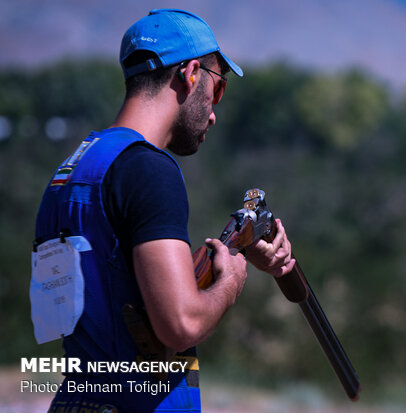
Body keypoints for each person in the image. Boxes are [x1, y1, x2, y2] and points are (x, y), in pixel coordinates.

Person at [31, 9, 295, 412]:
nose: (213, 111)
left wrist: (233, 250)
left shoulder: (73, 170)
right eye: (218, 87)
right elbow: (180, 325)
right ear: (190, 74)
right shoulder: (149, 169)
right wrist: (229, 283)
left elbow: (116, 292)